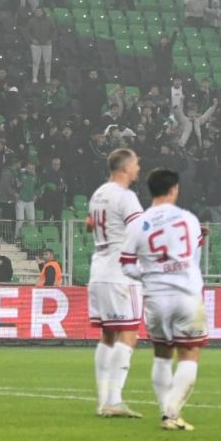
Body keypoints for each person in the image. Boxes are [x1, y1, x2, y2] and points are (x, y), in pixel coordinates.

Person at [119, 169, 206, 431]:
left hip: (156, 298)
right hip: (187, 294)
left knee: (162, 355)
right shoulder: (189, 219)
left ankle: (165, 412)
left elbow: (126, 265)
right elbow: (195, 257)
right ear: (174, 189)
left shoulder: (138, 223)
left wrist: (149, 276)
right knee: (189, 354)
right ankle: (172, 413)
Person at [87, 148, 144, 419]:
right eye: (136, 164)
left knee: (108, 335)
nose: (138, 168)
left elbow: (90, 224)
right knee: (129, 334)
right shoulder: (126, 197)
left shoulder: (99, 194)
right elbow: (141, 232)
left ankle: (103, 401)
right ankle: (114, 400)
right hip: (122, 274)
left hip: (98, 271)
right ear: (125, 167)